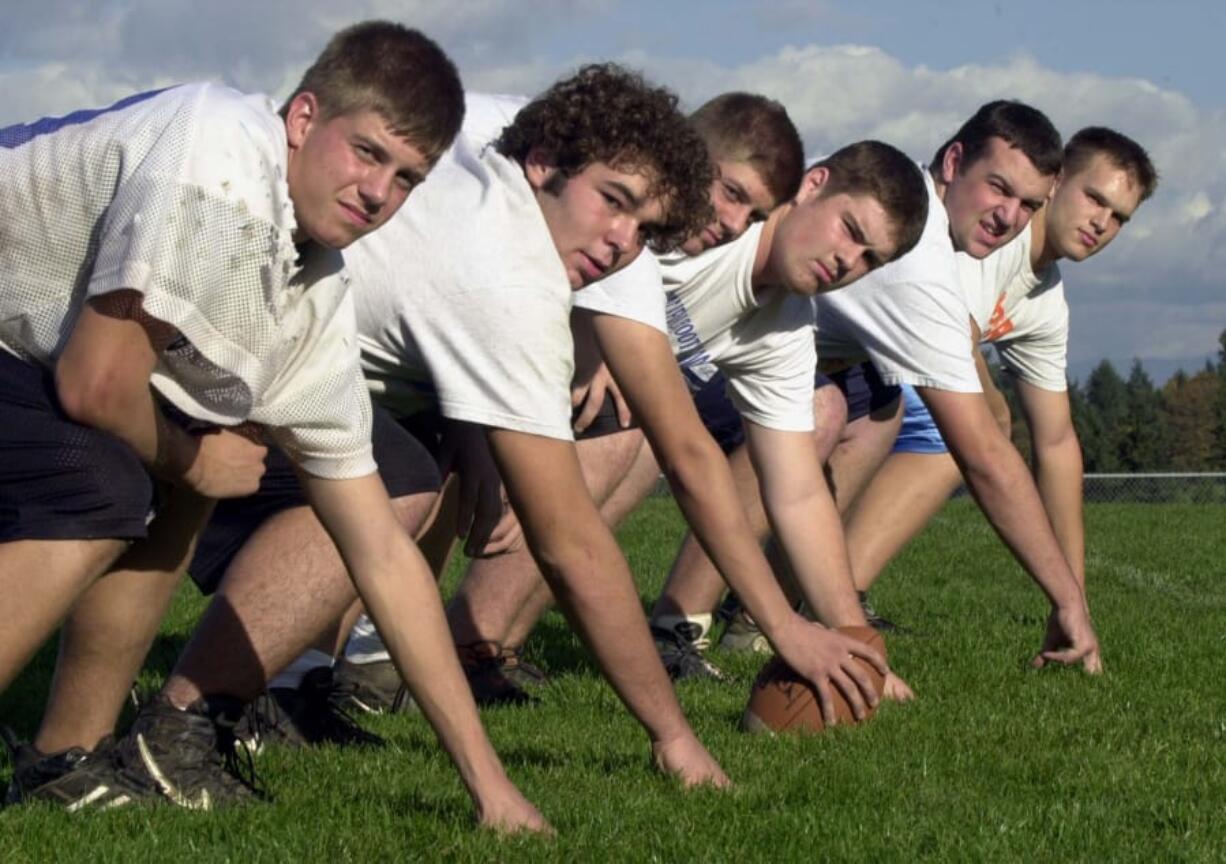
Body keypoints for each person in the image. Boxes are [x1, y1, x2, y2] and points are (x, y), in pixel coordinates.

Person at [75, 63, 731, 805]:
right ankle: (185, 723)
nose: (621, 243)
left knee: (399, 473)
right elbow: (571, 541)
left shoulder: (496, 206)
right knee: (390, 484)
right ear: (546, 164)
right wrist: (672, 734)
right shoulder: (508, 271)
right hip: (144, 345)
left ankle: (219, 710)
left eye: (644, 231)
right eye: (614, 203)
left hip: (244, 350)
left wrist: (472, 435)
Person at [0, 21, 551, 832]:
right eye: (367, 152)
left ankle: (65, 762)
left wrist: (490, 788)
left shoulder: (312, 298)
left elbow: (385, 557)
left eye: (406, 178)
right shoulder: (219, 153)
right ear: (301, 119)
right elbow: (94, 383)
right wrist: (190, 460)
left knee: (174, 454)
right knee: (106, 478)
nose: (378, 192)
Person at [425, 115, 928, 709]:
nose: (848, 261)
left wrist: (854, 643)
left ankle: (477, 646)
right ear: (813, 185)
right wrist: (602, 330)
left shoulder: (786, 326)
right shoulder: (708, 227)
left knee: (636, 427)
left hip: (522, 397)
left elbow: (797, 493)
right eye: (849, 230)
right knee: (625, 427)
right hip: (448, 363)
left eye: (870, 259)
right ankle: (439, 648)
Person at [648, 100, 1104, 676]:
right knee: (810, 410)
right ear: (954, 161)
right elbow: (985, 453)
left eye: (1028, 205)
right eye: (997, 188)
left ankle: (768, 617)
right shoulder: (915, 257)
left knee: (875, 406)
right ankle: (677, 623)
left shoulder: (945, 234)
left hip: (755, 343)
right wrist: (1068, 600)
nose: (1008, 216)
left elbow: (1039, 440)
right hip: (673, 327)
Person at [843, 127, 1158, 627]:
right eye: (1094, 198)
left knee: (975, 424)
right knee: (959, 431)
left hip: (878, 379)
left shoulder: (1046, 300)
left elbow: (1055, 443)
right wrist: (994, 407)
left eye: (1118, 217)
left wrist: (1070, 597)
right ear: (1054, 186)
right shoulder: (997, 239)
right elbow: (953, 338)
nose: (1101, 223)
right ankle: (832, 596)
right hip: (836, 363)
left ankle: (824, 594)